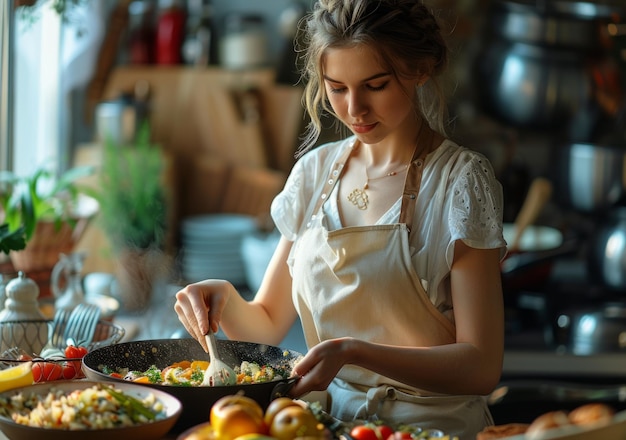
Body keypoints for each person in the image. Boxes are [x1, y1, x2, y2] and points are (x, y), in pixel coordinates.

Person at [174, 1, 507, 438]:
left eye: (376, 85)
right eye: (337, 88)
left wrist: (354, 352)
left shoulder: (459, 182)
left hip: (430, 429)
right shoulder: (314, 174)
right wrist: (224, 300)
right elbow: (268, 320)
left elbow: (481, 366)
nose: (355, 110)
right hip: (324, 426)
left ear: (420, 69)